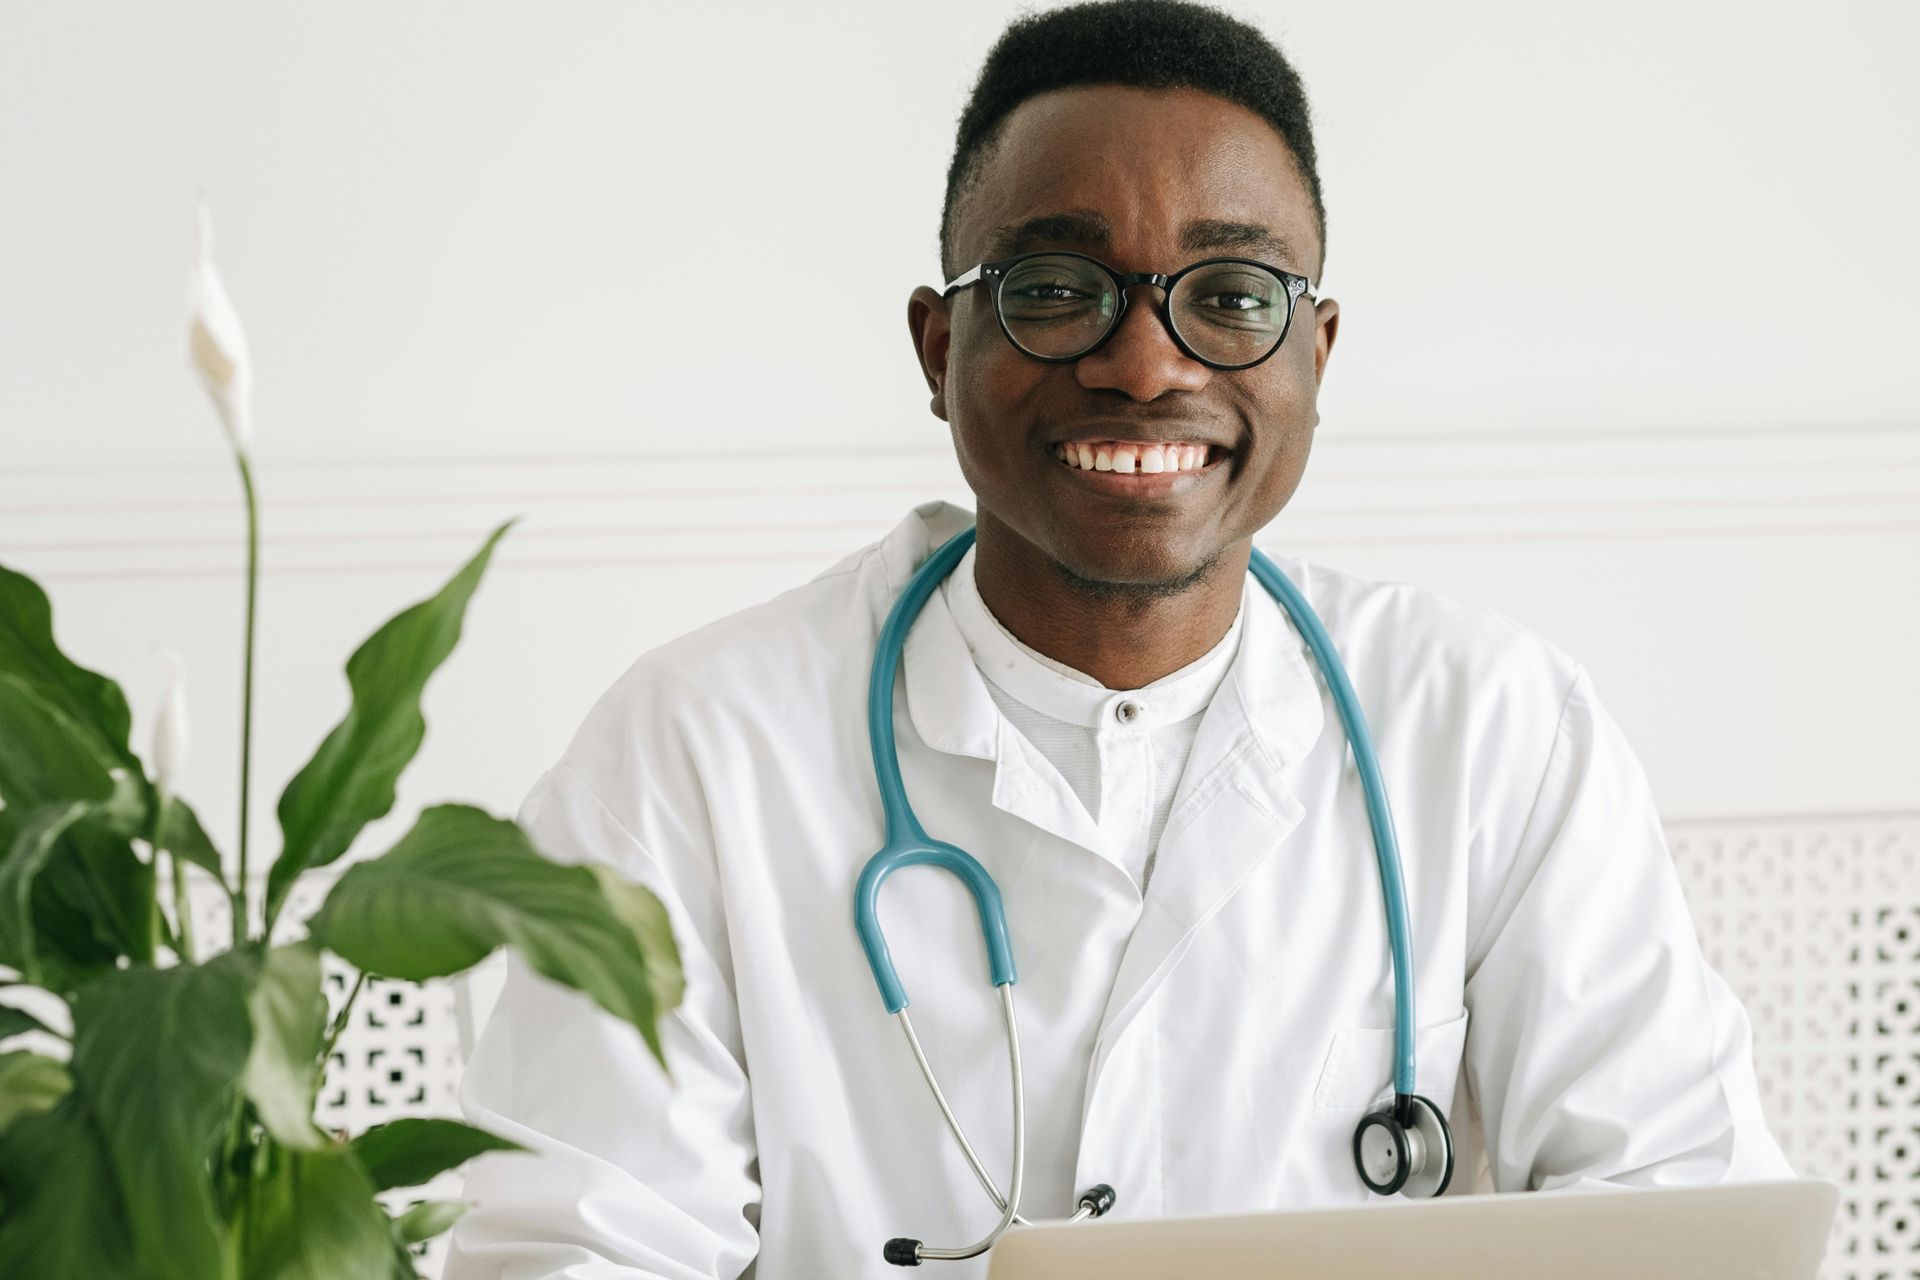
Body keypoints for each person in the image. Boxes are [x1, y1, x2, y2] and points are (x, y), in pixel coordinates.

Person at [444, 2, 1791, 1276]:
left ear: (1316, 351)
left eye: (1231, 294)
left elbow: (1681, 1217)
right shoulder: (693, 756)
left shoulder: (1494, 729)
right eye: (1054, 286)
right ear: (937, 347)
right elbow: (582, 1247)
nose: (1147, 366)